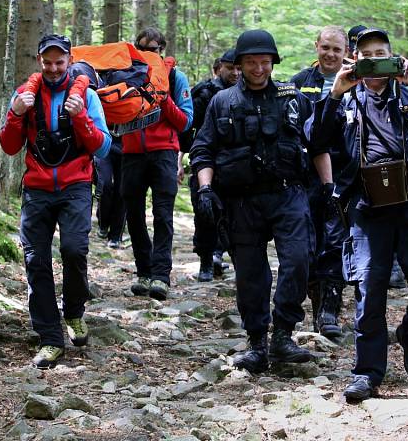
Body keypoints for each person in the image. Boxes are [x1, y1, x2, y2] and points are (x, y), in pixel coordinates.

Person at [308, 27, 408, 401]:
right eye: (367, 54)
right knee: (368, 286)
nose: (375, 60)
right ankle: (367, 371)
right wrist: (334, 94)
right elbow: (315, 140)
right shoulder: (344, 99)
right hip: (365, 204)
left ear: (393, 57)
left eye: (382, 53)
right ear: (356, 59)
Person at [190, 29, 315, 373]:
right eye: (251, 62)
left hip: (288, 193)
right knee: (250, 274)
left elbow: (319, 142)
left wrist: (331, 188)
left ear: (273, 63)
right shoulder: (222, 102)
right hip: (241, 201)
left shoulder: (294, 99)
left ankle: (284, 335)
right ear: (239, 65)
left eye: (264, 62)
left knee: (299, 259)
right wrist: (205, 189)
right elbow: (203, 150)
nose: (259, 69)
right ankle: (257, 341)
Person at [0, 33, 112, 369]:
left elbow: (104, 147)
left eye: (59, 62)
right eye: (47, 62)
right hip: (36, 188)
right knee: (36, 260)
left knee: (74, 250)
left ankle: (74, 312)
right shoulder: (23, 95)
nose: (52, 68)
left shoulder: (87, 96)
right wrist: (16, 115)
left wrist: (80, 117)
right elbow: (8, 146)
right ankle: (50, 338)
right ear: (39, 61)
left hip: (76, 185)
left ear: (69, 60)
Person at [121, 28, 193, 301]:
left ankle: (161, 276)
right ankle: (144, 271)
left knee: (163, 216)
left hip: (163, 152)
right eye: (142, 48)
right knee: (135, 216)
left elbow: (185, 121)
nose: (148, 54)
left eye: (153, 49)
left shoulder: (176, 77)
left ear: (162, 49)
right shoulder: (126, 75)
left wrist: (163, 100)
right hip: (131, 153)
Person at [290, 26, 350, 337]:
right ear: (316, 46)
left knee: (337, 241)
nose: (330, 54)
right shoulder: (299, 82)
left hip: (345, 171)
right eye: (325, 47)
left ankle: (330, 310)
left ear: (346, 52)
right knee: (309, 241)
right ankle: (315, 302)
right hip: (306, 175)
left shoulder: (358, 81)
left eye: (336, 50)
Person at [179, 49, 241, 281]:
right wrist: (182, 158)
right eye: (230, 68)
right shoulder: (203, 94)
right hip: (204, 163)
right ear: (219, 68)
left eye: (238, 68)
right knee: (204, 213)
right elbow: (187, 129)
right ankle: (206, 261)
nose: (235, 73)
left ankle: (221, 256)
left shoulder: (246, 93)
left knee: (234, 215)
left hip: (234, 166)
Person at [94, 136, 125, 249]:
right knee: (104, 185)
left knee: (122, 191)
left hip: (127, 146)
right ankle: (103, 224)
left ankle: (115, 235)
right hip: (104, 142)